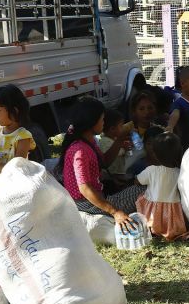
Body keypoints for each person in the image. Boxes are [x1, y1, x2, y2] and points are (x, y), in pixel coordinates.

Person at [57, 96, 145, 232]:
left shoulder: (88, 141)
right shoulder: (80, 149)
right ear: (92, 121)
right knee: (142, 190)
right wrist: (115, 212)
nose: (104, 123)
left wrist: (118, 141)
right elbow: (85, 188)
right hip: (87, 205)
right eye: (102, 119)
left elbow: (104, 163)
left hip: (95, 199)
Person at [135, 132, 189, 241]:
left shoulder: (151, 170)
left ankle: (152, 229)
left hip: (152, 215)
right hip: (172, 217)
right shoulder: (179, 172)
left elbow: (137, 181)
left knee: (141, 195)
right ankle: (169, 232)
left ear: (154, 153)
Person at [97, 108, 134, 184]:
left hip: (120, 171)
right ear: (112, 129)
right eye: (121, 126)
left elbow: (127, 155)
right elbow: (117, 153)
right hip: (111, 175)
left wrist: (127, 148)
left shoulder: (115, 139)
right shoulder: (104, 141)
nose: (123, 128)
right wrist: (124, 148)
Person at [166, 65, 189, 152]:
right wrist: (170, 126)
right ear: (183, 84)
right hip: (187, 145)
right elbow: (175, 114)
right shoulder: (179, 103)